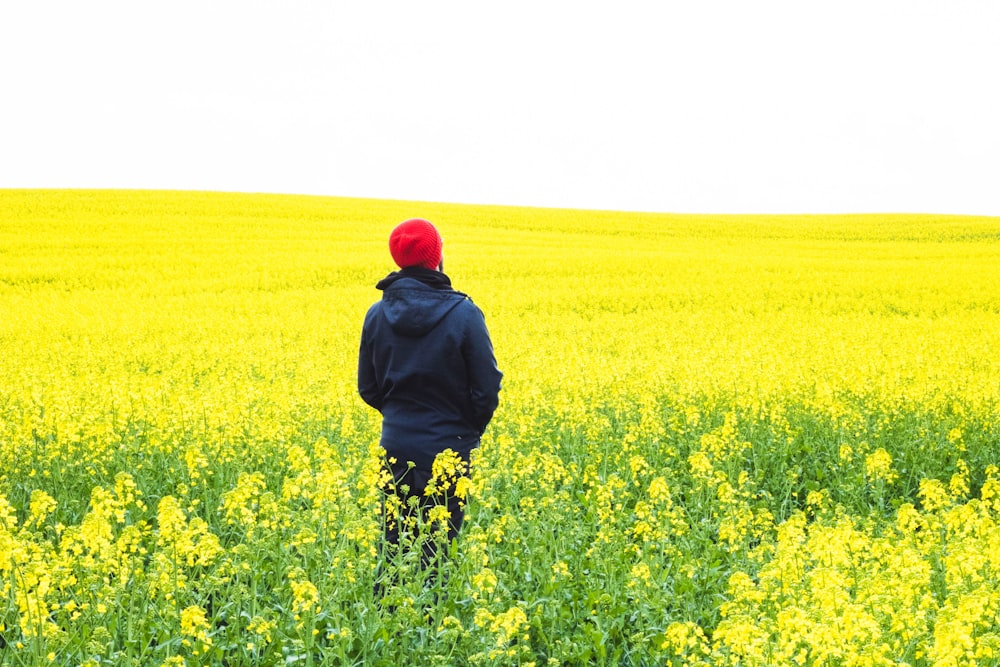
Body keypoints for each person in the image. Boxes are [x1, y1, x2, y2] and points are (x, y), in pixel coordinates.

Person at [358, 218, 502, 595]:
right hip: (450, 450)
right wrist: (465, 431)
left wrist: (399, 419)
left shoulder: (376, 314)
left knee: (393, 548)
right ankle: (429, 635)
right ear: (437, 256)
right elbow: (487, 389)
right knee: (438, 552)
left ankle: (388, 636)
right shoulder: (464, 314)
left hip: (395, 448)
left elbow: (368, 387)